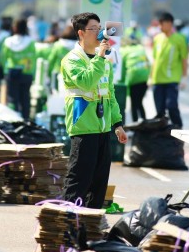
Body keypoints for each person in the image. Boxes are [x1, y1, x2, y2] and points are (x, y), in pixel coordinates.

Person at [61, 12, 127, 209]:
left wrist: (117, 124)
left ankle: (91, 232)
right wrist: (99, 58)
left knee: (98, 186)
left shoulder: (104, 61)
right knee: (78, 183)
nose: (99, 32)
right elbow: (87, 82)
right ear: (81, 33)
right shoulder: (71, 60)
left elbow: (110, 94)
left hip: (103, 129)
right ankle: (66, 227)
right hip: (83, 127)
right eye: (93, 28)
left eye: (100, 28)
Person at [150, 12, 188, 128]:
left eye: (162, 23)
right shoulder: (157, 38)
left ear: (170, 23)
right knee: (159, 110)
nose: (160, 26)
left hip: (172, 79)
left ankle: (178, 128)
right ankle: (162, 136)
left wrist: (184, 78)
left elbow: (184, 59)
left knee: (171, 106)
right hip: (157, 79)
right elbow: (155, 59)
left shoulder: (180, 39)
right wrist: (151, 77)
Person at [0, 18, 36, 120]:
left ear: (14, 28)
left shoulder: (8, 42)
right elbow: (33, 59)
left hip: (12, 73)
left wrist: (6, 70)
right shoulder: (31, 42)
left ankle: (14, 121)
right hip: (26, 74)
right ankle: (26, 121)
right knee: (25, 99)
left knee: (13, 99)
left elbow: (2, 58)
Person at [120, 37, 151, 122]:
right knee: (139, 103)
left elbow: (122, 69)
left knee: (134, 104)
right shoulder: (141, 48)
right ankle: (144, 122)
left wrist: (122, 83)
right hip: (144, 78)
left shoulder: (123, 51)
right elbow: (148, 63)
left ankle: (135, 124)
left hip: (133, 78)